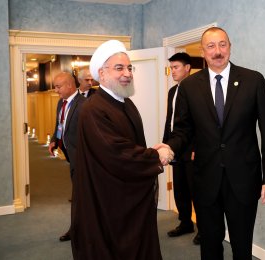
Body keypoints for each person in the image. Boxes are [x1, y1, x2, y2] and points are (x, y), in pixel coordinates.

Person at [155, 27, 265, 260]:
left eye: (222, 44)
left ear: (230, 47)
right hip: (205, 178)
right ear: (203, 51)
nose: (218, 51)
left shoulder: (253, 80)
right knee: (210, 245)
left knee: (242, 245)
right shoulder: (190, 86)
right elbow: (183, 129)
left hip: (243, 178)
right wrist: (170, 147)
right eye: (211, 46)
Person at [71, 39, 173, 260]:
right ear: (102, 73)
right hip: (108, 200)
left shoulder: (126, 103)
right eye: (119, 68)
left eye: (129, 67)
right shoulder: (93, 109)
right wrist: (156, 156)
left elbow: (129, 147)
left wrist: (150, 154)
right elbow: (116, 153)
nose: (127, 73)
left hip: (129, 194)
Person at [163, 52, 200, 245]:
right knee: (180, 189)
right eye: (171, 68)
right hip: (175, 147)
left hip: (192, 150)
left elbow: (201, 124)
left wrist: (198, 147)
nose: (172, 72)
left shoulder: (197, 89)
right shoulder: (172, 92)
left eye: (176, 67)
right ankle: (185, 222)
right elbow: (170, 122)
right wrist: (166, 145)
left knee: (196, 190)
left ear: (187, 68)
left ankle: (203, 228)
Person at [48, 71, 86, 242]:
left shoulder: (84, 104)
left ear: (70, 85)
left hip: (82, 159)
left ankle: (77, 230)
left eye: (58, 86)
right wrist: (54, 140)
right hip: (69, 154)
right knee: (79, 194)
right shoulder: (60, 103)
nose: (56, 90)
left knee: (80, 196)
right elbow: (60, 124)